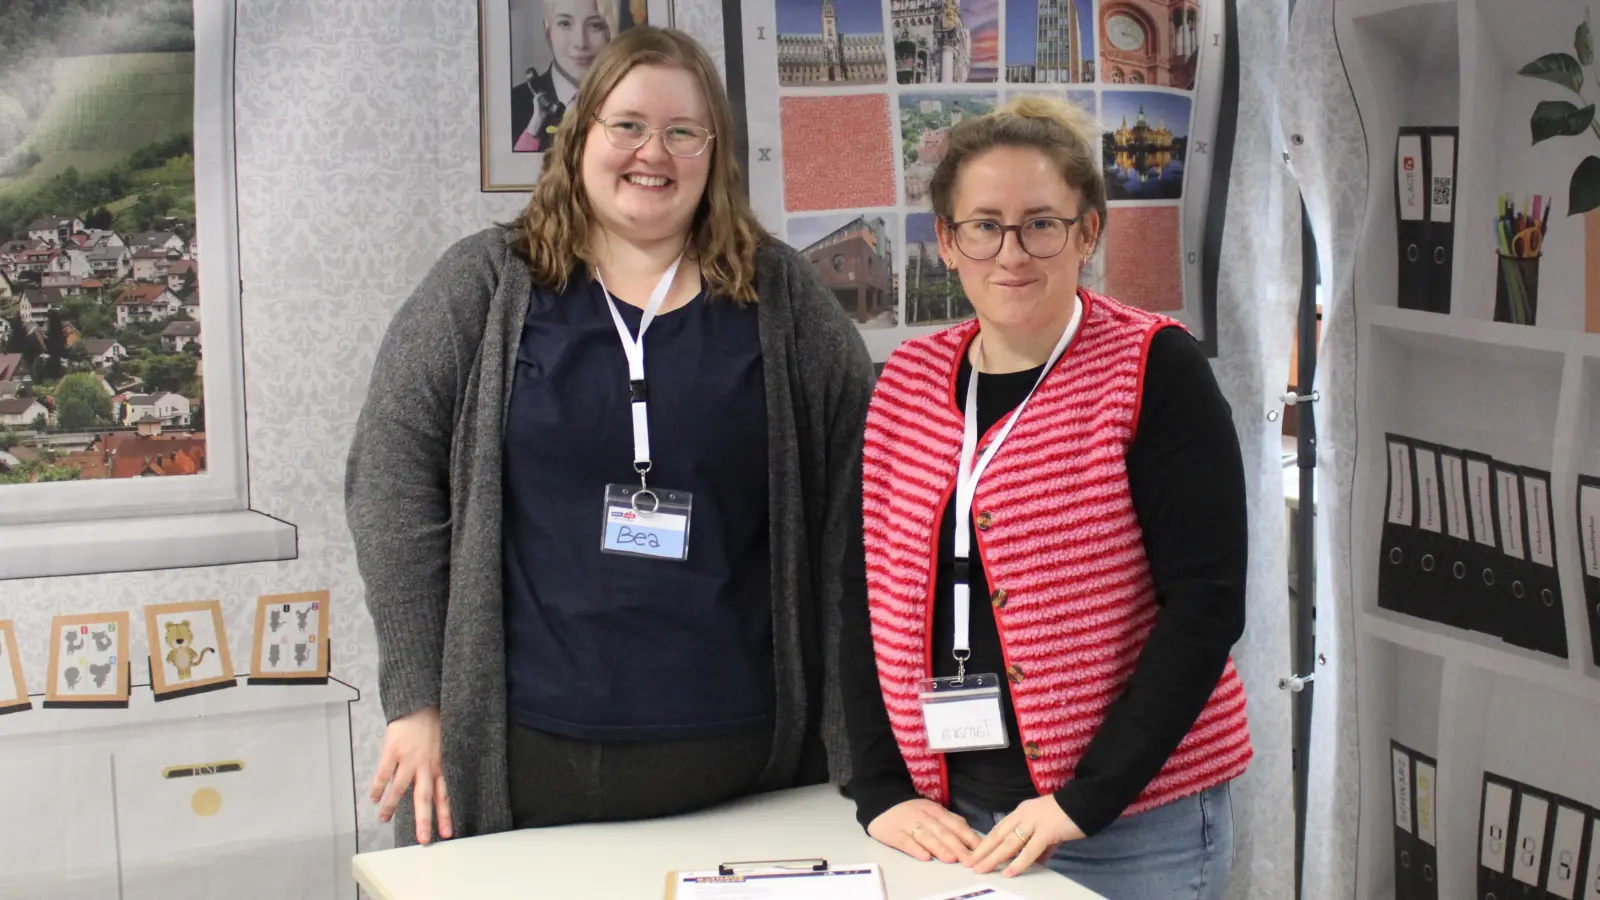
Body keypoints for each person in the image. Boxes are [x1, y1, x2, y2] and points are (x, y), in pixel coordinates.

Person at [348, 25, 874, 847]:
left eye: (683, 131)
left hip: (751, 774)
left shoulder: (782, 296)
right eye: (627, 124)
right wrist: (418, 699)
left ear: (715, 153)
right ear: (581, 133)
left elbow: (864, 500)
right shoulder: (485, 285)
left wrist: (861, 738)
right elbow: (391, 482)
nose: (652, 152)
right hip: (527, 769)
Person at [840, 94, 1252, 899]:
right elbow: (866, 596)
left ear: (1086, 233)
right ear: (948, 242)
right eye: (984, 226)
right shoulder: (907, 384)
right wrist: (881, 788)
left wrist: (1082, 801)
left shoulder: (1153, 369)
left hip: (1131, 828)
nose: (1012, 252)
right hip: (953, 819)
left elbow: (1205, 607)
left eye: (1041, 224)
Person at [511, 0, 618, 152]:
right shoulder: (514, 106)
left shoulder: (628, 100)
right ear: (548, 33)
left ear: (610, 33)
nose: (580, 43)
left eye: (595, 25)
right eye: (565, 24)